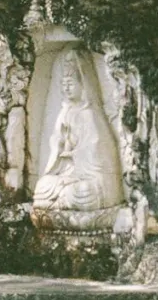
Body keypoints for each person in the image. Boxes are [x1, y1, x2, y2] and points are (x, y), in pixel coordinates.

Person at [32, 49, 122, 213]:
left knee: (84, 190)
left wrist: (74, 154)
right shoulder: (64, 113)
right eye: (64, 84)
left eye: (71, 84)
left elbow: (96, 149)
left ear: (83, 85)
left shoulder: (89, 114)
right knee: (43, 186)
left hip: (89, 175)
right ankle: (62, 199)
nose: (66, 89)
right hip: (68, 172)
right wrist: (60, 143)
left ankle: (63, 200)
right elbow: (56, 145)